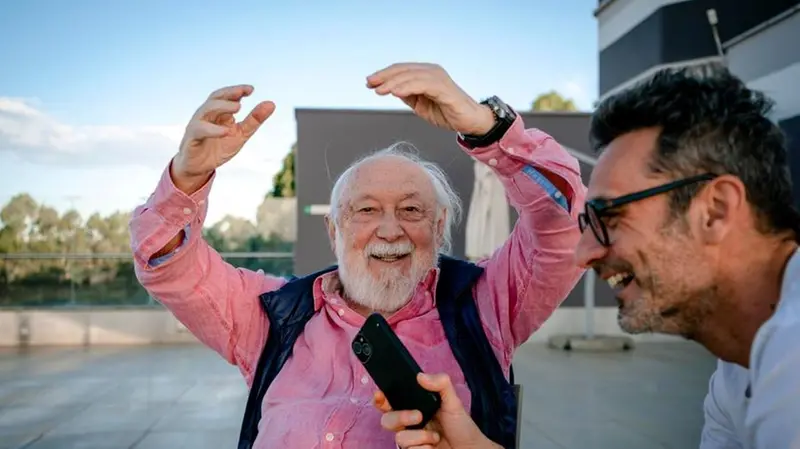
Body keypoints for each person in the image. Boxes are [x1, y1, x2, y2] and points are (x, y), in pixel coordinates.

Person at [130, 62, 586, 448]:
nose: (389, 230)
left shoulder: (485, 304)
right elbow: (168, 264)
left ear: (439, 226)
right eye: (366, 211)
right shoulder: (272, 314)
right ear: (334, 229)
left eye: (411, 210)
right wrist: (187, 177)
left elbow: (565, 221)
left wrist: (488, 126)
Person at [377, 67, 800, 449]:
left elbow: (554, 221)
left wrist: (489, 128)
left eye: (609, 216)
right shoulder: (736, 375)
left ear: (716, 210)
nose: (584, 254)